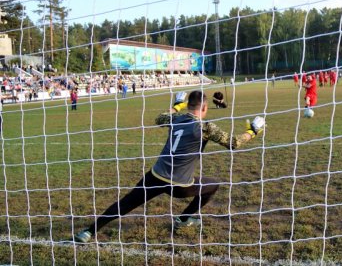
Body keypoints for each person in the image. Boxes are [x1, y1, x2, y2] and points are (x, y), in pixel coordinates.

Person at [74, 90, 265, 243]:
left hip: (156, 176)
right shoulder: (206, 127)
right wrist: (253, 131)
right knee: (213, 185)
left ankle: (89, 232)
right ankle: (183, 219)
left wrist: (176, 106)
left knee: (126, 203)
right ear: (205, 107)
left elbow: (160, 117)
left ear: (187, 106)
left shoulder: (175, 119)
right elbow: (233, 143)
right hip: (180, 185)